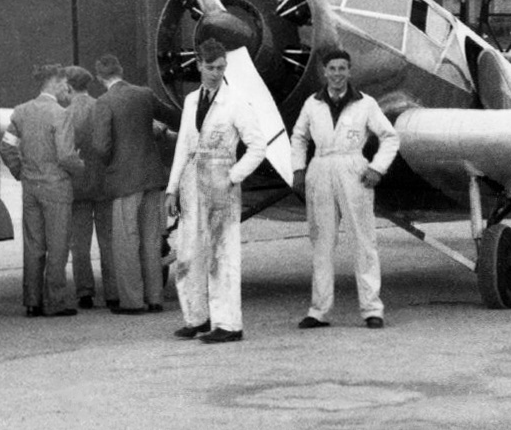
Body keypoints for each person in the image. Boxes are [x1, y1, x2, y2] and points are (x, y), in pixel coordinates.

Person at [165, 39, 267, 343]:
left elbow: (257, 147)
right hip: (191, 179)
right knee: (188, 251)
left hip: (221, 180)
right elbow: (183, 145)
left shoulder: (236, 101)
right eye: (210, 67)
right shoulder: (191, 101)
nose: (215, 73)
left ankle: (228, 324)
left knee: (222, 254)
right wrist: (171, 190)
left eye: (221, 68)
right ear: (198, 65)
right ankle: (196, 317)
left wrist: (232, 176)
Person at [291, 48, 399, 330]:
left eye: (342, 68)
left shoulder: (365, 104)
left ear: (350, 72)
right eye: (332, 69)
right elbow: (299, 136)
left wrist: (377, 168)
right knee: (322, 242)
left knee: (364, 240)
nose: (337, 74)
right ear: (324, 72)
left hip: (354, 169)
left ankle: (372, 309)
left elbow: (390, 137)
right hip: (321, 168)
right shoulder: (312, 104)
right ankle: (319, 311)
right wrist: (298, 170)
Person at [0, 64, 83, 317]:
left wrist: (20, 172)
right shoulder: (61, 114)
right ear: (56, 83)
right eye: (64, 84)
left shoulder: (21, 111)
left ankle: (32, 301)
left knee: (34, 245)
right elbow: (67, 155)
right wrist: (81, 168)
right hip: (56, 187)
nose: (66, 88)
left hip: (30, 187)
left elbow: (6, 147)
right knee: (58, 246)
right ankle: (55, 302)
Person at [92, 54, 171, 316]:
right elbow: (169, 116)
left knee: (126, 241)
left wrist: (111, 162)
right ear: (122, 69)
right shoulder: (144, 94)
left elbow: (101, 146)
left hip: (125, 180)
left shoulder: (104, 102)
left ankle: (133, 301)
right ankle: (155, 298)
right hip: (153, 176)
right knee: (151, 239)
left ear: (99, 77)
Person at [64, 66, 118, 310]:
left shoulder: (66, 113)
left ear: (68, 86)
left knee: (80, 243)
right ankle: (113, 292)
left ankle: (84, 292)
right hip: (104, 183)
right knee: (108, 241)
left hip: (78, 185)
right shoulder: (102, 106)